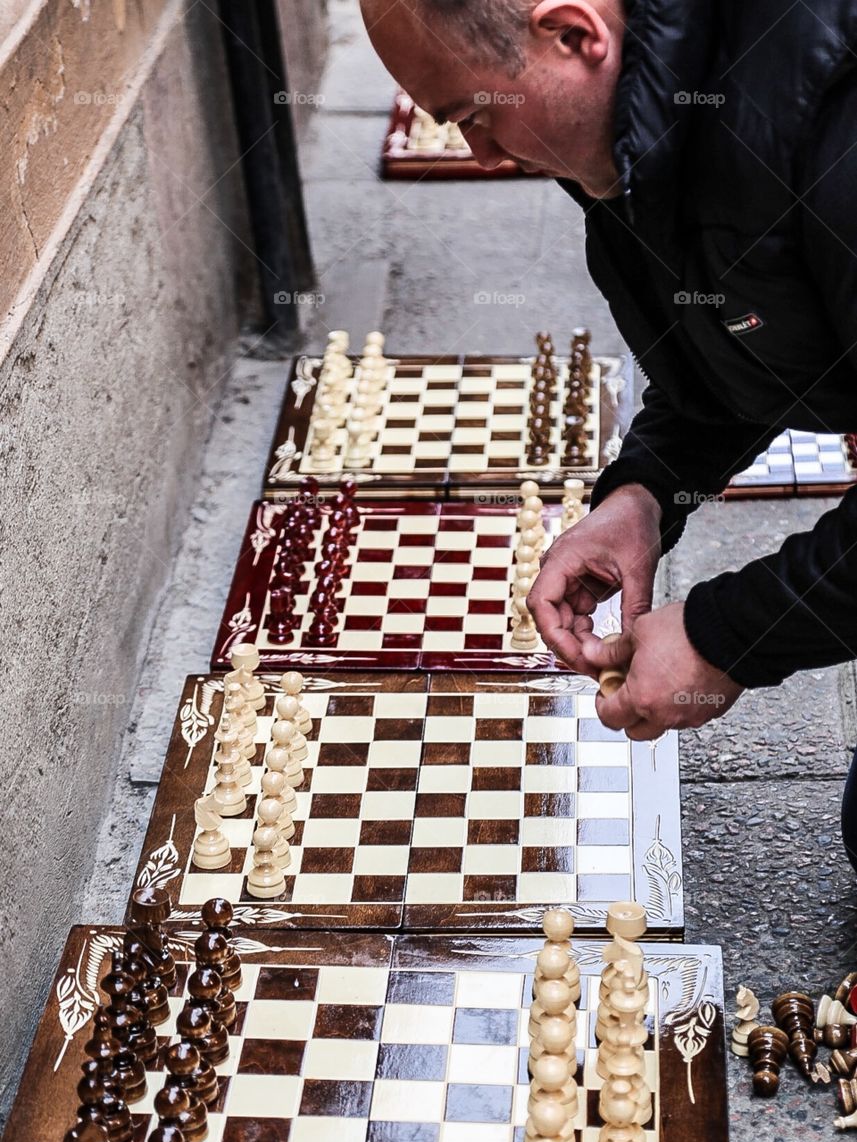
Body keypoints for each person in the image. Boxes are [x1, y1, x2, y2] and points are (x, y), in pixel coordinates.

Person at [360, 0, 857, 864]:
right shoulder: (645, 122)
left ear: (572, 34)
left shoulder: (835, 134)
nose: (480, 156)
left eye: (474, 116)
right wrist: (645, 492)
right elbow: (741, 330)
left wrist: (723, 634)